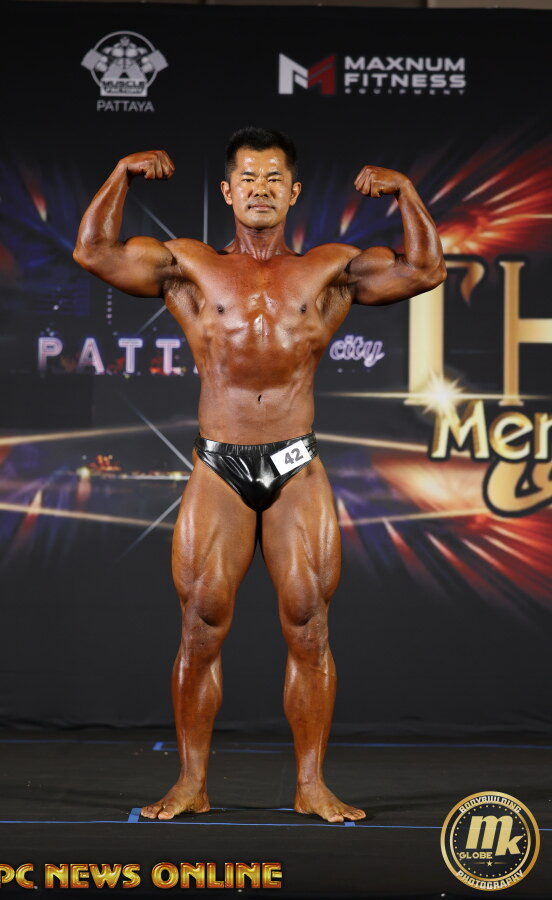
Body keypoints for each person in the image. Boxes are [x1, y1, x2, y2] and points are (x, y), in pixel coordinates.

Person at [73, 127, 446, 823]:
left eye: (274, 178)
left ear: (293, 192)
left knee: (309, 623)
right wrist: (120, 172)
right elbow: (93, 251)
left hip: (294, 464)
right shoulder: (189, 266)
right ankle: (191, 783)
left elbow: (425, 271)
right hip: (219, 463)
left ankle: (311, 786)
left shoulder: (330, 269)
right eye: (248, 178)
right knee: (201, 624)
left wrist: (407, 193)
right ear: (228, 191)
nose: (261, 189)